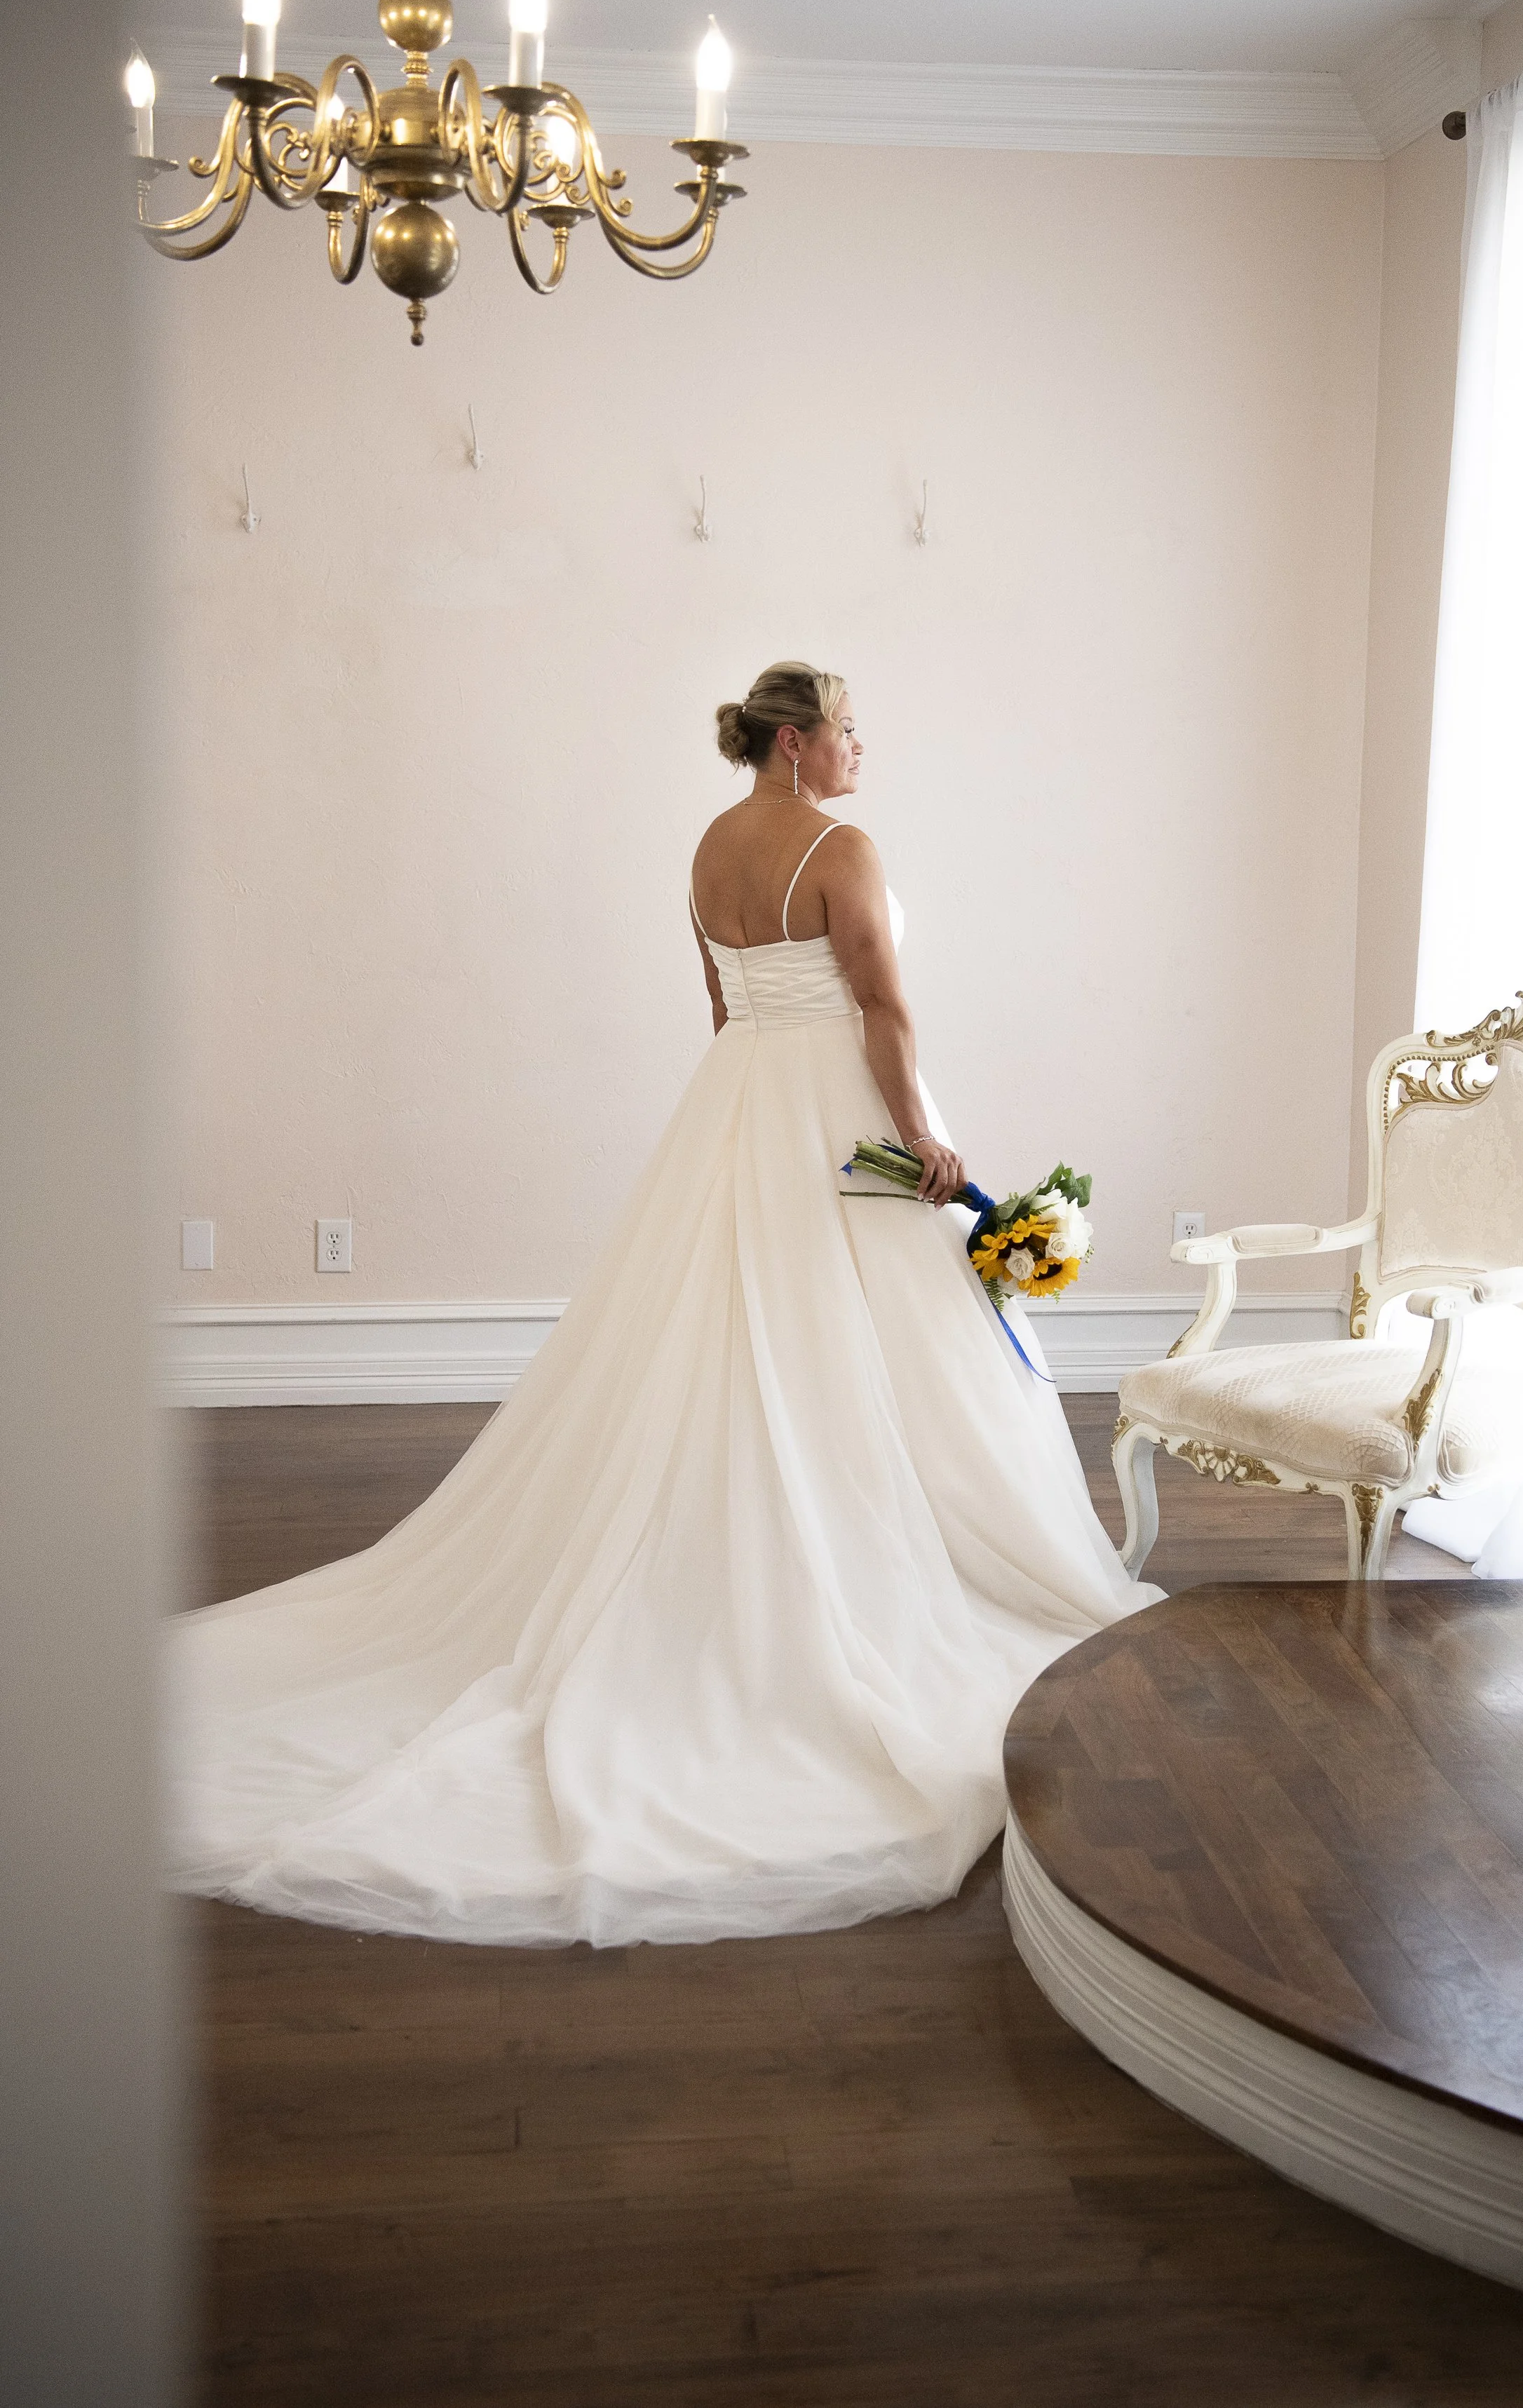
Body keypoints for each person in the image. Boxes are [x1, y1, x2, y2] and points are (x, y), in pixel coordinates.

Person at [165, 664, 1158, 1947]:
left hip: (736, 1103)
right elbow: (883, 1008)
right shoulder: (842, 849)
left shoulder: (707, 850)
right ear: (795, 742)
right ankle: (851, 1562)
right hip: (839, 1111)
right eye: (848, 731)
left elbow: (720, 1006)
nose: (862, 749)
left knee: (727, 1333)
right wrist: (923, 1139)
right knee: (869, 1342)